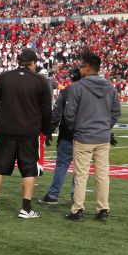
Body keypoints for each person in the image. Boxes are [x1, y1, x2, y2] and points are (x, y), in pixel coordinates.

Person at [0, 48, 52, 218]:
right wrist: (45, 130)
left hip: (5, 129)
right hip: (30, 131)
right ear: (33, 63)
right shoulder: (40, 81)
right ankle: (26, 208)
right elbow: (46, 110)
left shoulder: (4, 77)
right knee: (29, 169)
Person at [62, 51, 121, 222]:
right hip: (102, 137)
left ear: (87, 68)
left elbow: (69, 114)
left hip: (83, 137)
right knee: (102, 175)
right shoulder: (109, 87)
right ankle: (103, 209)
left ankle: (77, 209)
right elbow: (116, 112)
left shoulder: (78, 87)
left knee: (81, 175)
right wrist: (105, 127)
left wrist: (76, 129)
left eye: (81, 66)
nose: (79, 69)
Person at [40, 61, 82, 205]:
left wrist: (49, 132)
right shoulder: (90, 92)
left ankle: (53, 194)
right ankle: (76, 197)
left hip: (67, 134)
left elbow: (56, 115)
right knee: (80, 168)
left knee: (62, 165)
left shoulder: (66, 92)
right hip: (86, 135)